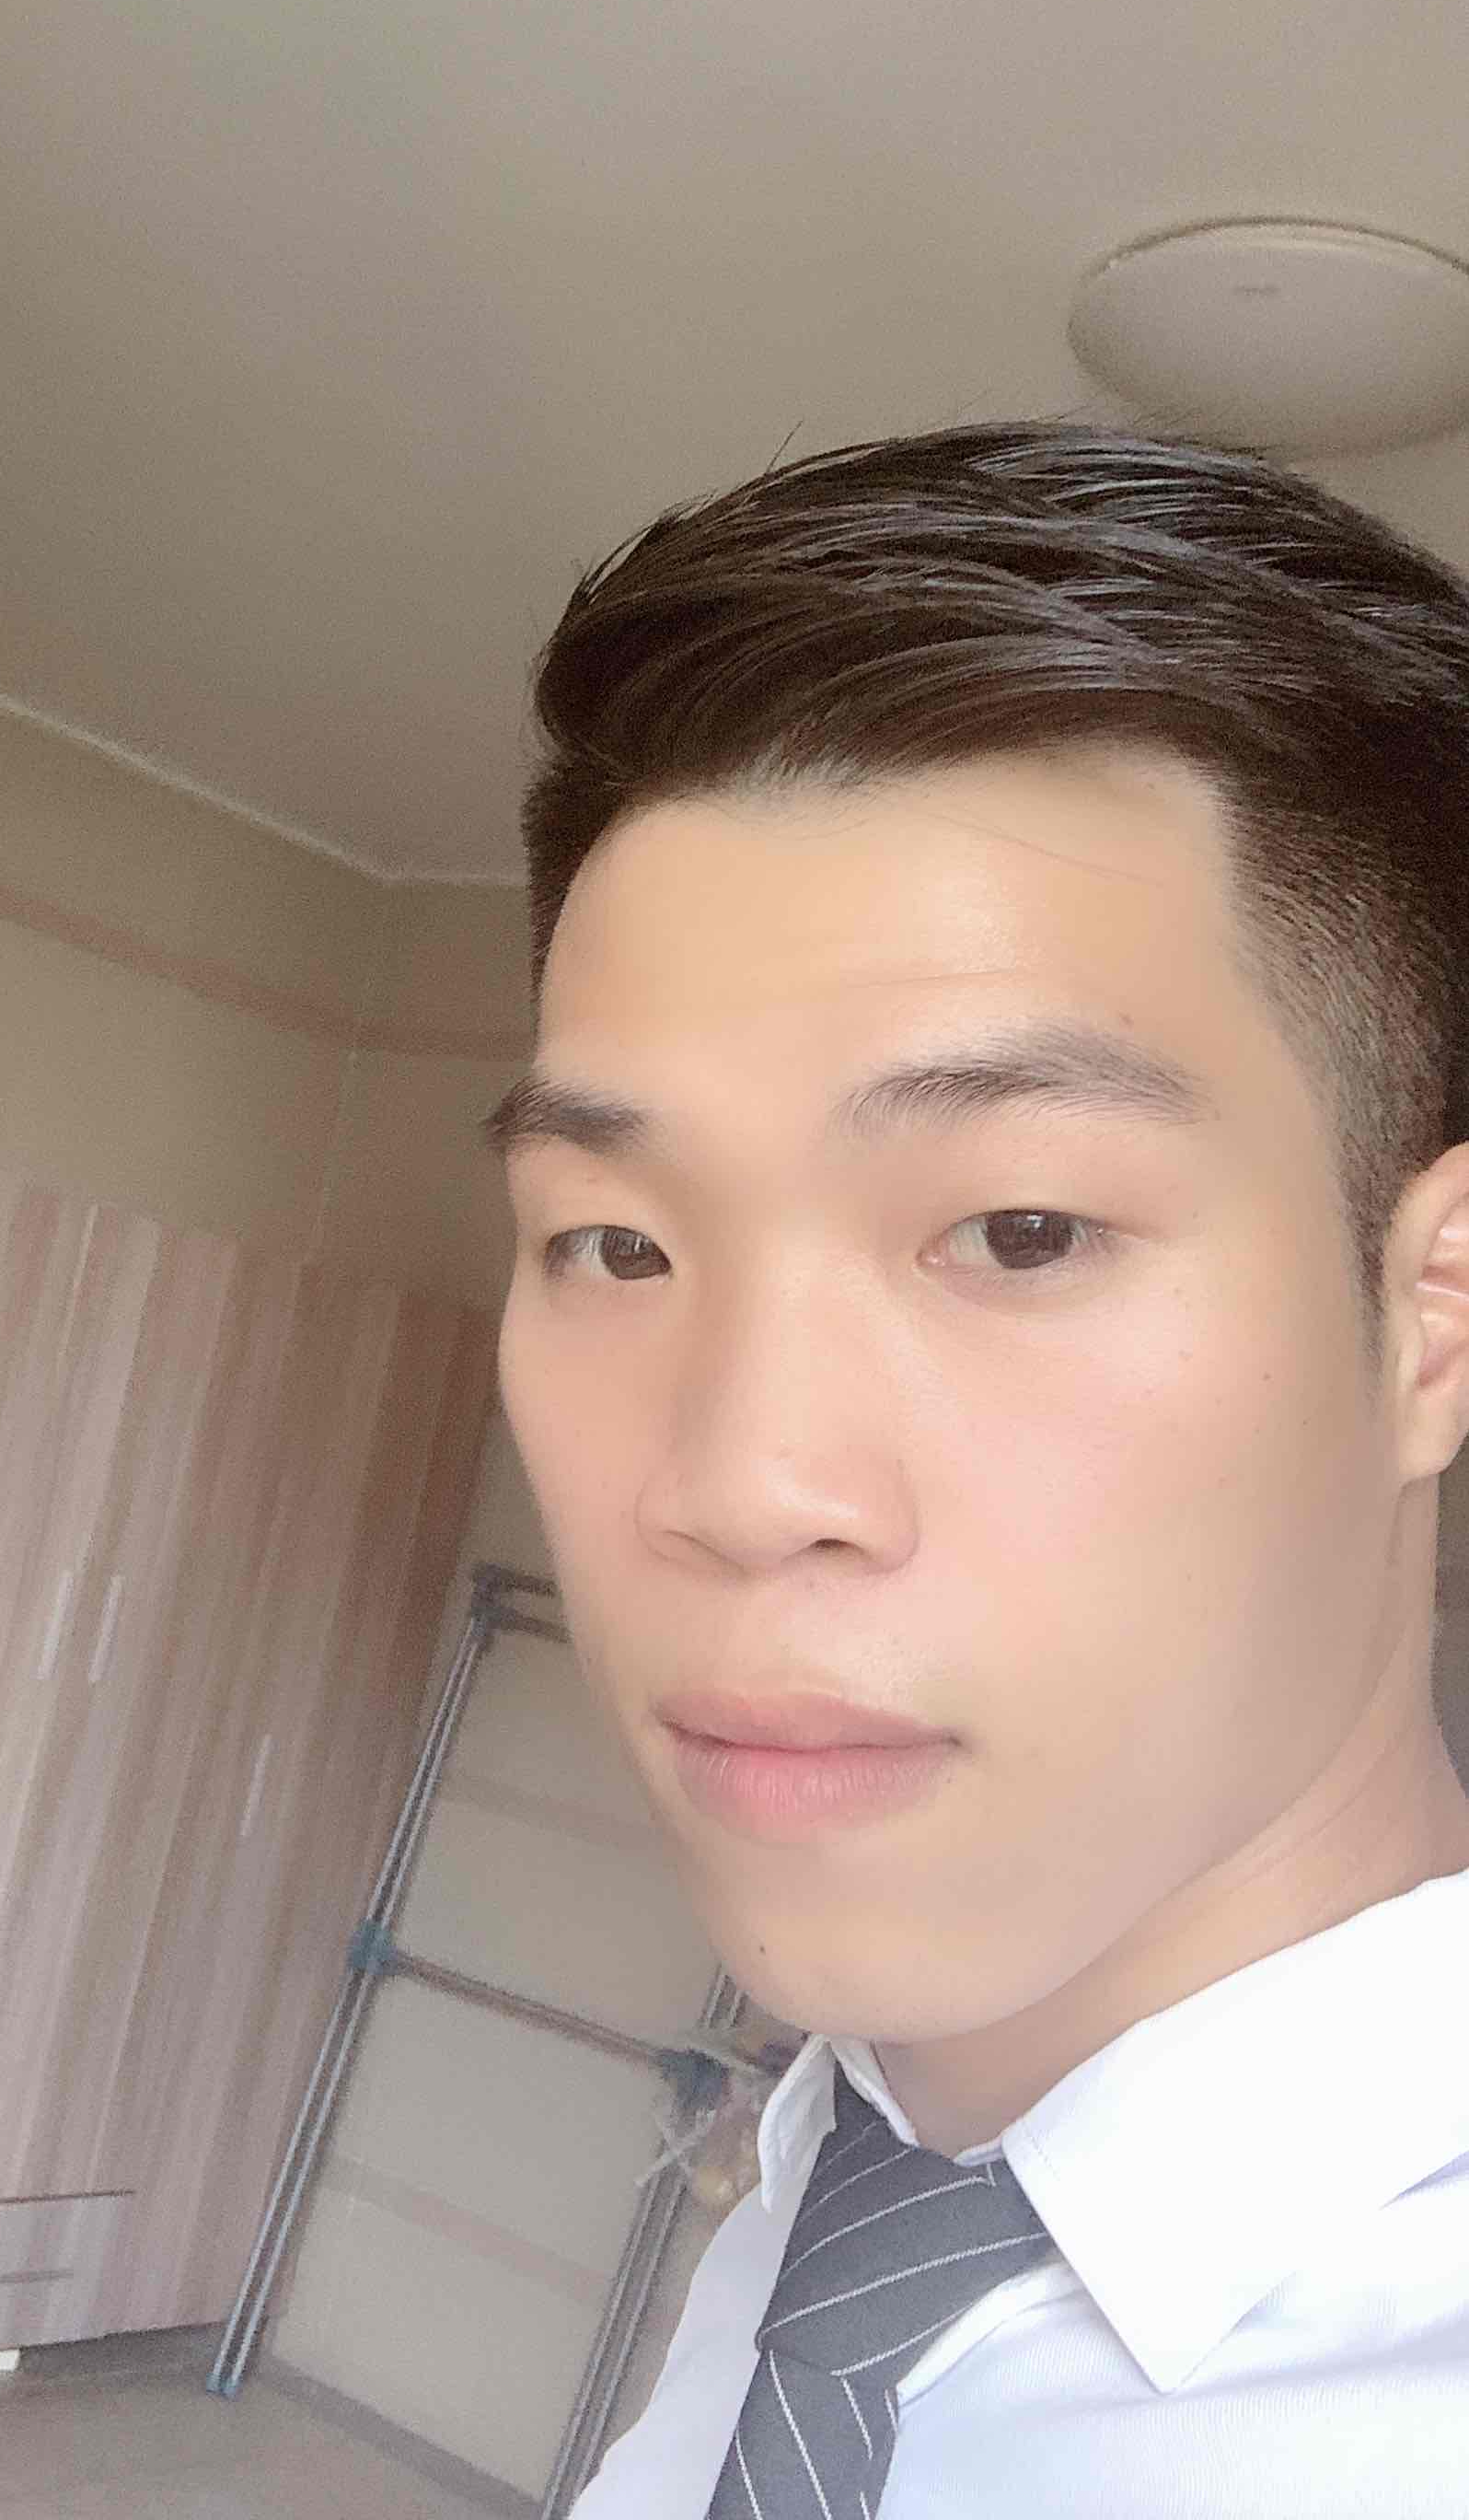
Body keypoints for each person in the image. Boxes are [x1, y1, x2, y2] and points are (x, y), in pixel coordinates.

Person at [480, 419, 1469, 2514]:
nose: (739, 1484)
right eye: (617, 1245)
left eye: (1019, 1230)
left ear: (1434, 1313)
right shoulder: (844, 2184)